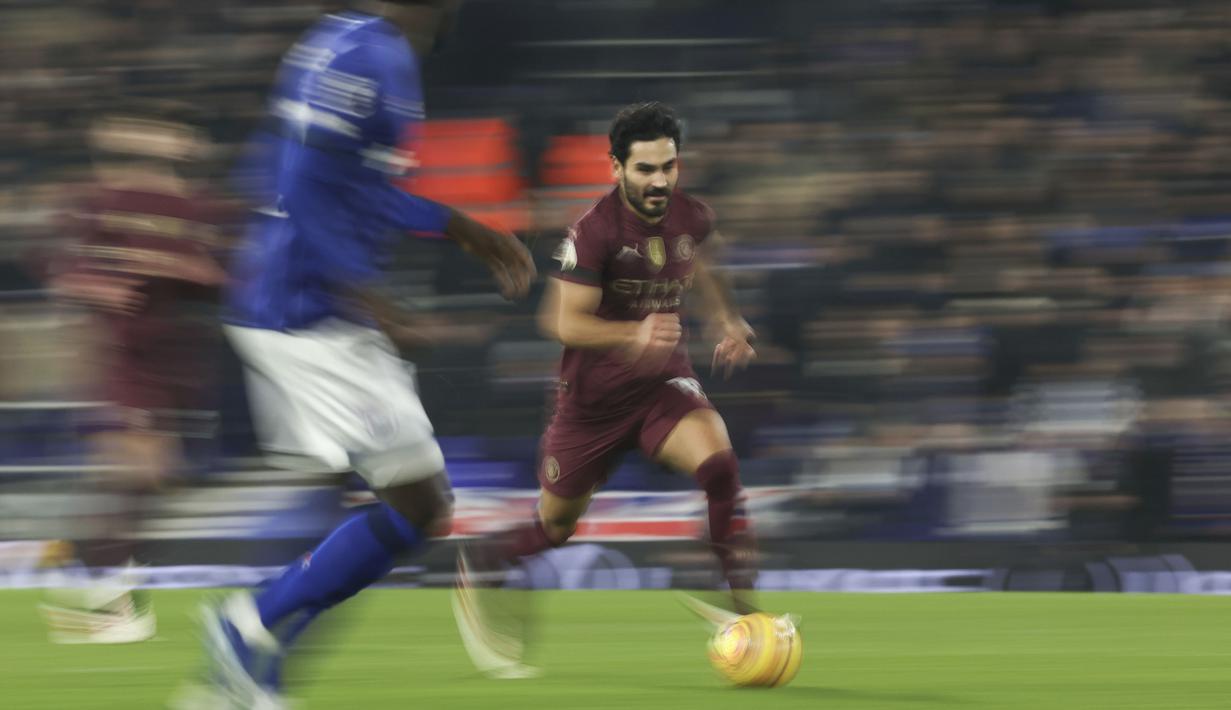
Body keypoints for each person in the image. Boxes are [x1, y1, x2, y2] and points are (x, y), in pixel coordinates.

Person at [186, 1, 535, 706]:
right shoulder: (366, 55)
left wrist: (456, 226)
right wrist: (363, 291)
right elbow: (302, 184)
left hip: (306, 305)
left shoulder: (359, 44)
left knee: (402, 502)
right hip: (303, 313)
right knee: (417, 502)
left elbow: (356, 187)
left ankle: (247, 668)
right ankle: (246, 624)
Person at [453, 101, 760, 677]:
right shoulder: (592, 232)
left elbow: (706, 263)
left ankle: (747, 616)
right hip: (591, 406)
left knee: (720, 467)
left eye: (668, 167)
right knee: (556, 528)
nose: (660, 181)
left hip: (663, 387)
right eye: (645, 169)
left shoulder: (691, 216)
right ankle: (487, 560)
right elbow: (561, 322)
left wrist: (725, 319)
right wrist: (631, 334)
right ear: (615, 167)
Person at [38, 102, 227, 645]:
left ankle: (104, 577)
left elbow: (225, 276)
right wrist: (98, 286)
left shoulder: (196, 207)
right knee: (130, 474)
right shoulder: (95, 201)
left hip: (175, 360)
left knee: (152, 481)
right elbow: (66, 270)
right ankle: (115, 603)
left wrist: (179, 269)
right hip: (123, 360)